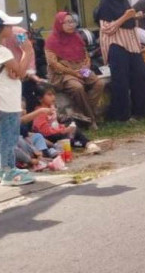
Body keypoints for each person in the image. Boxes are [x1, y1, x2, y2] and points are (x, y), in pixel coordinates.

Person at [94, 0, 145, 121]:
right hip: (116, 44)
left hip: (131, 44)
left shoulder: (123, 1)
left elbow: (129, 20)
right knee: (121, 80)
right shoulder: (105, 5)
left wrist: (134, 16)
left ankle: (143, 112)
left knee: (141, 76)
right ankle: (121, 115)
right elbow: (107, 28)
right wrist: (125, 17)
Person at [45, 11, 106, 128]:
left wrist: (86, 66)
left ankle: (82, 115)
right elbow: (53, 64)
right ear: (59, 24)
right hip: (64, 72)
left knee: (99, 83)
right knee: (77, 87)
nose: (71, 25)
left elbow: (86, 54)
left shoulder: (77, 37)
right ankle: (91, 119)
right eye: (67, 22)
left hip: (81, 68)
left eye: (72, 22)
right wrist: (74, 73)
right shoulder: (52, 40)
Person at [0, 10, 35, 186]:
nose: (12, 28)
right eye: (8, 26)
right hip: (6, 102)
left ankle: (8, 167)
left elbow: (12, 72)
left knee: (5, 137)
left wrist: (15, 68)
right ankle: (7, 172)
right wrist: (27, 51)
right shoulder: (3, 51)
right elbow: (20, 72)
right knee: (8, 138)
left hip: (4, 100)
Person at [31, 84, 100, 153]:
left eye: (53, 94)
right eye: (49, 95)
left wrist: (64, 127)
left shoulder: (51, 108)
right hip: (49, 138)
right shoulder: (39, 113)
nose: (53, 97)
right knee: (65, 140)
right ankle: (84, 144)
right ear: (40, 99)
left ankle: (87, 142)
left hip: (57, 132)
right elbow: (46, 132)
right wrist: (64, 130)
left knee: (73, 126)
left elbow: (55, 124)